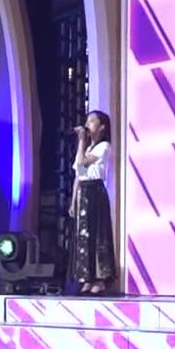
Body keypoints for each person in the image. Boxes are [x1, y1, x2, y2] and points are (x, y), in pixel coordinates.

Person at [69, 110, 117, 294]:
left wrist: (81, 139)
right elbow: (79, 175)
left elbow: (83, 162)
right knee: (84, 236)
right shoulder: (87, 148)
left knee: (97, 234)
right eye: (87, 120)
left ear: (102, 127)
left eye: (92, 121)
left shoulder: (103, 146)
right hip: (83, 191)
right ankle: (87, 277)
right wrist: (73, 200)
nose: (88, 123)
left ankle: (100, 279)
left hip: (95, 192)